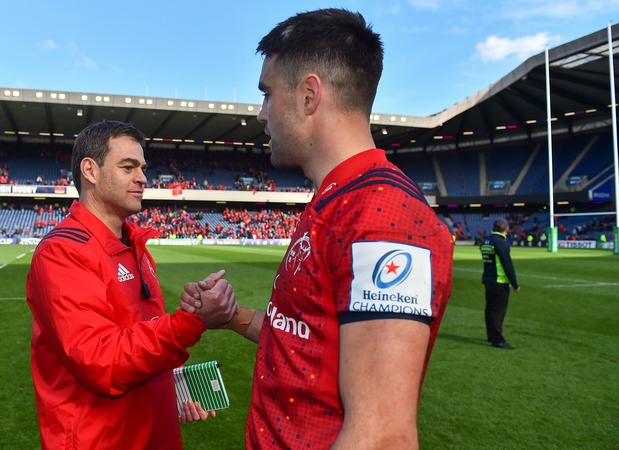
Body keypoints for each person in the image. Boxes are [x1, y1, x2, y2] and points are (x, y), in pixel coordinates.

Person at [180, 9, 454, 449]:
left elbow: (383, 436)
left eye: (267, 94)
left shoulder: (383, 216)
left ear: (310, 95)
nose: (260, 114)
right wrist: (230, 317)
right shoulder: (334, 200)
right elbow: (303, 335)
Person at [25, 120, 238, 450]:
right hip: (100, 439)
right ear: (90, 171)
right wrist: (191, 322)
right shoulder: (62, 252)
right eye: (128, 167)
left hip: (155, 431)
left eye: (142, 167)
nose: (143, 178)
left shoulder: (134, 245)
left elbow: (141, 334)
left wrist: (176, 389)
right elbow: (101, 361)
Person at [480, 217, 520, 349]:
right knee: (498, 311)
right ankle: (497, 339)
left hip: (488, 279)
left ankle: (491, 335)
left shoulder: (486, 240)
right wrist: (514, 283)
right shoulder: (500, 242)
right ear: (506, 229)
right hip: (499, 280)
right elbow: (507, 264)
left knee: (490, 309)